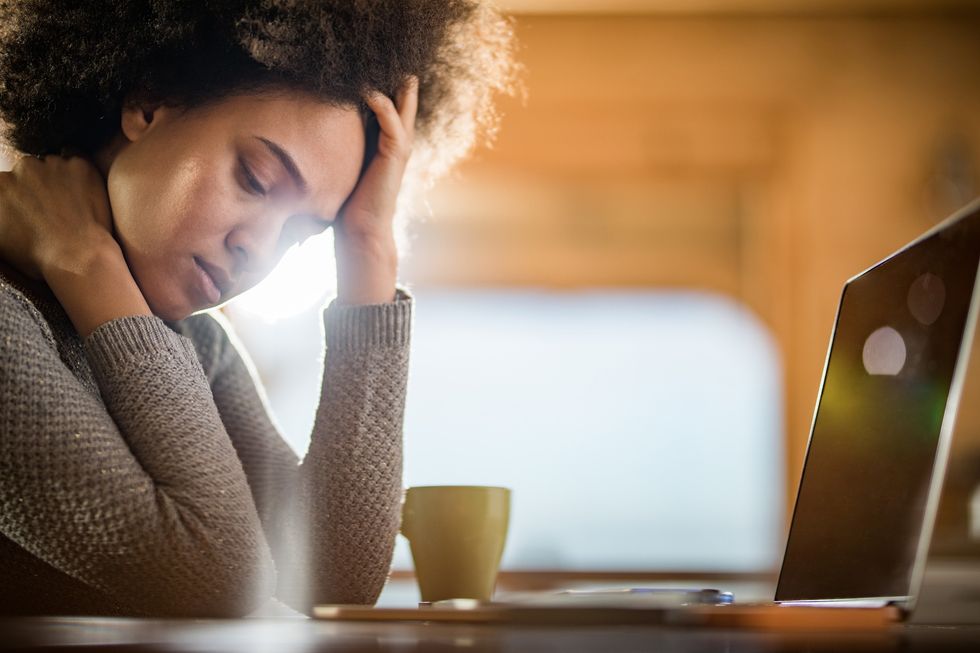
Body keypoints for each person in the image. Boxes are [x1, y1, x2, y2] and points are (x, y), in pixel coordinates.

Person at [0, 0, 516, 617]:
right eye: (256, 178)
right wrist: (87, 264)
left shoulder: (197, 345)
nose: (259, 249)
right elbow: (209, 576)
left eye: (300, 233)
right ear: (146, 106)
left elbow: (330, 581)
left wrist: (368, 248)